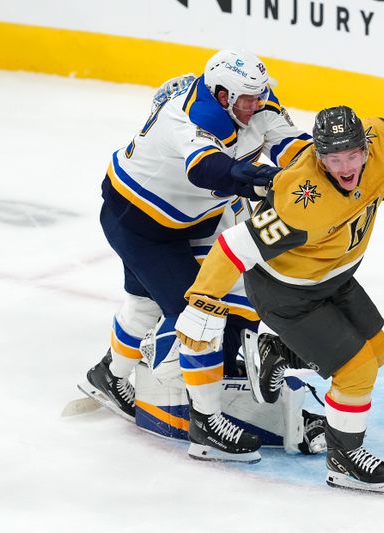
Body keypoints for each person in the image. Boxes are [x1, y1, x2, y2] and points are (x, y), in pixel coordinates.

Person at [174, 33, 384, 493]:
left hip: (334, 277)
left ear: (367, 146)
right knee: (356, 368)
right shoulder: (302, 202)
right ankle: (344, 458)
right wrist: (202, 302)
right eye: (334, 159)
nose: (347, 167)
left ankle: (278, 352)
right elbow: (236, 248)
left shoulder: (381, 146)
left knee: (378, 351)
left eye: (353, 155)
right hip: (287, 292)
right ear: (319, 160)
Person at [79, 49, 315, 463]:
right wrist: (258, 180)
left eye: (261, 96)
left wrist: (330, 173)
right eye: (247, 98)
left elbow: (290, 146)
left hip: (193, 219)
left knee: (149, 302)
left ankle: (109, 376)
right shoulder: (184, 117)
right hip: (139, 223)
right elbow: (209, 170)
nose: (257, 104)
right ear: (221, 95)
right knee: (200, 313)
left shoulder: (254, 101)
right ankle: (206, 424)